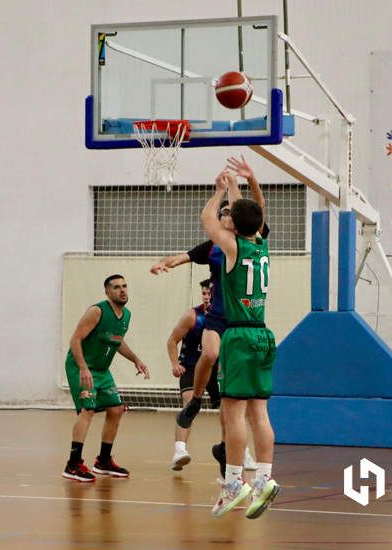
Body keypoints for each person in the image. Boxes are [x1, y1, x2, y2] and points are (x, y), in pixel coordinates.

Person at [151, 155, 264, 474]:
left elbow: (254, 208)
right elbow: (184, 256)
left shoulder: (252, 238)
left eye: (230, 212)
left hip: (244, 318)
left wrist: (236, 185)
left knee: (232, 400)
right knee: (210, 354)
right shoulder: (214, 247)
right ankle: (196, 402)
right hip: (220, 313)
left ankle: (231, 454)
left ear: (237, 221)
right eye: (224, 213)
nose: (226, 214)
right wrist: (165, 263)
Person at [201, 170, 279, 519]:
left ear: (234, 223)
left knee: (232, 412)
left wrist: (219, 192)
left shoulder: (232, 246)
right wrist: (240, 183)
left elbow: (207, 219)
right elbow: (253, 211)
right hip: (264, 334)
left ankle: (234, 482)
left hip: (239, 335)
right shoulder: (260, 243)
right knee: (259, 412)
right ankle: (263, 479)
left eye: (230, 213)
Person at [63, 274, 150, 482]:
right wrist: (83, 368)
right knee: (88, 410)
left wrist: (136, 360)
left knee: (116, 409)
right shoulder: (97, 311)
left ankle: (103, 461)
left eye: (125, 286)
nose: (122, 290)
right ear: (107, 292)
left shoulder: (126, 315)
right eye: (116, 287)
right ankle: (73, 464)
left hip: (102, 370)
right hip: (81, 366)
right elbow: (75, 340)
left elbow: (117, 342)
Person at [167, 279, 222, 470]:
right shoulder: (192, 316)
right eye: (204, 294)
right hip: (190, 367)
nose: (207, 297)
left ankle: (239, 451)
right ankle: (179, 451)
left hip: (215, 369)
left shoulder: (225, 317)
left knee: (229, 408)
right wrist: (175, 364)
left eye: (210, 294)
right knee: (189, 403)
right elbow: (172, 340)